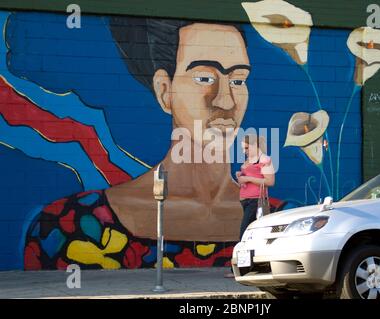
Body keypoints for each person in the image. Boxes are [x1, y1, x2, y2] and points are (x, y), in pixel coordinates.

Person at [24, 18, 254, 269]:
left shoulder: (283, 221)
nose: (226, 101)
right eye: (204, 78)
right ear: (165, 91)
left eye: (238, 81)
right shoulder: (70, 225)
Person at [236, 134, 275, 240]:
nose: (244, 151)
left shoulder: (264, 159)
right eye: (243, 148)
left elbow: (270, 182)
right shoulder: (250, 159)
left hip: (255, 201)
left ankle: (245, 254)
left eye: (247, 148)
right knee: (252, 234)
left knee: (244, 234)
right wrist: (240, 175)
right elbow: (252, 175)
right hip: (245, 201)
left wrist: (248, 178)